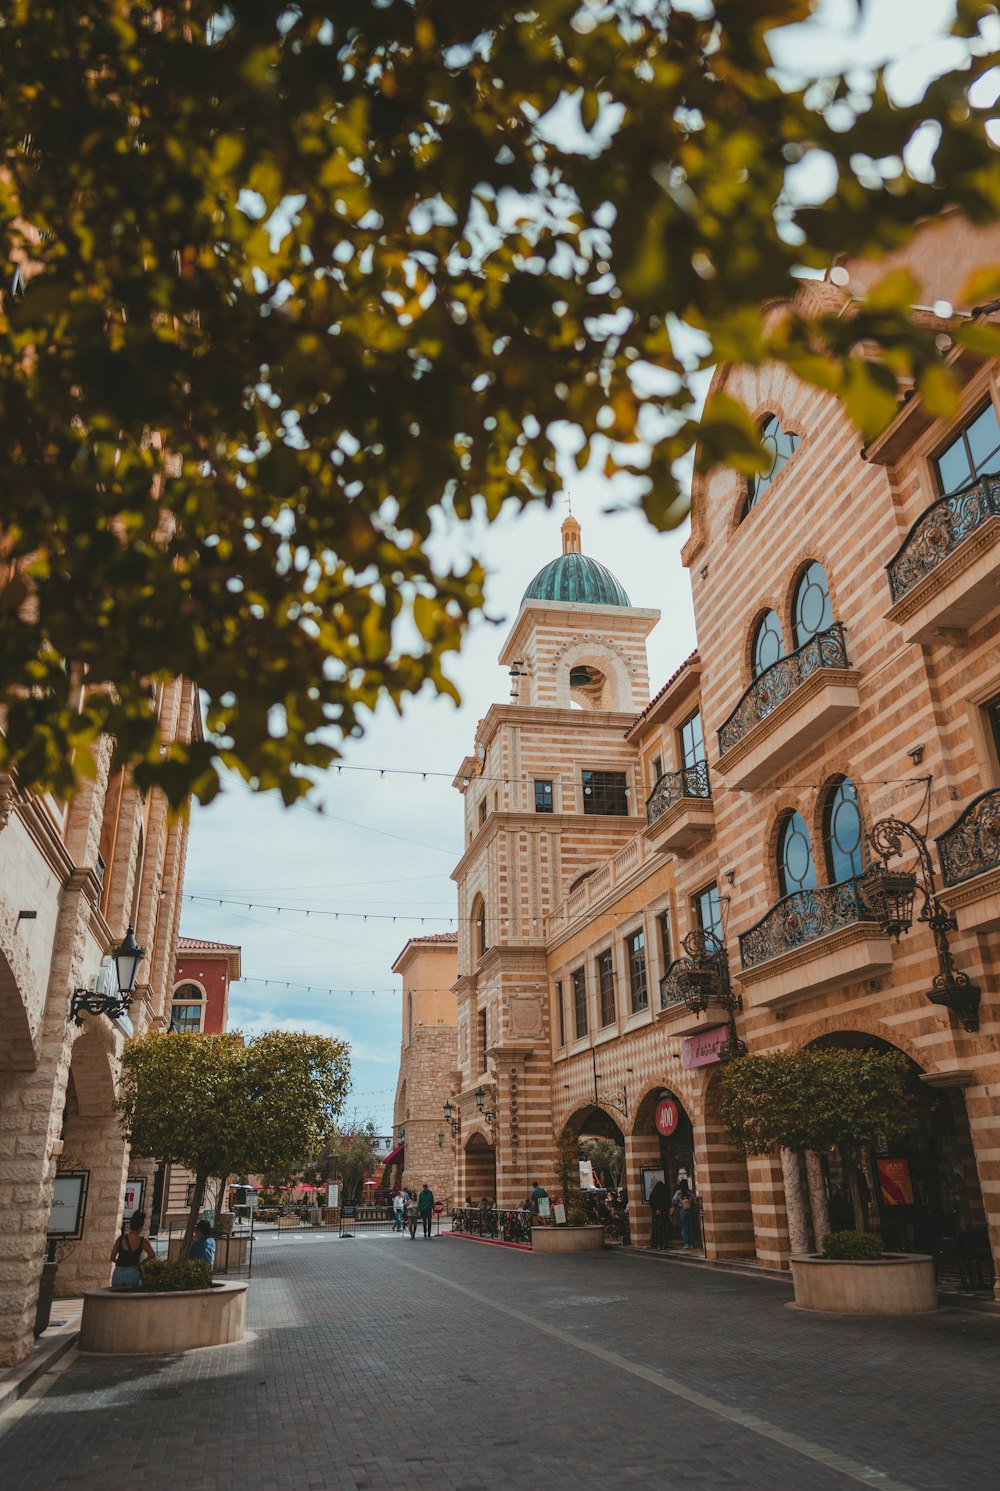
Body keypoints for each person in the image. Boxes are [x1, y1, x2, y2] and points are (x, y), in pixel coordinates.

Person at [110, 1209, 155, 1289]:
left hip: (118, 1273)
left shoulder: (121, 1239)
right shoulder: (142, 1241)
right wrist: (141, 1263)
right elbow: (152, 1254)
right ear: (141, 1227)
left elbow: (112, 1257)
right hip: (132, 1272)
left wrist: (121, 1262)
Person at [672, 1177, 698, 1249]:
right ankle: (691, 1243)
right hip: (690, 1210)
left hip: (682, 1210)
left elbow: (674, 1201)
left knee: (684, 1226)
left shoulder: (678, 1192)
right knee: (691, 1226)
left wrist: (679, 1202)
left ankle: (686, 1243)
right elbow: (695, 1201)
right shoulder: (690, 1192)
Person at [647, 1178, 668, 1249]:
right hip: (663, 1214)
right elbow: (667, 1203)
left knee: (656, 1229)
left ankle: (656, 1243)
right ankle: (663, 1244)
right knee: (663, 1229)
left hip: (655, 1214)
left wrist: (656, 1209)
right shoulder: (664, 1193)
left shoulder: (653, 1193)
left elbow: (651, 1203)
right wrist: (661, 1210)